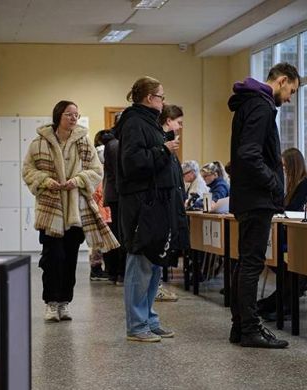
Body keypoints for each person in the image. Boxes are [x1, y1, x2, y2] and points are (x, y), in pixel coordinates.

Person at [23, 100, 119, 322]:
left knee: (70, 259)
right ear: (58, 116)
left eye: (76, 114)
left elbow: (96, 171)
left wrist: (78, 180)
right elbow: (28, 170)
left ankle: (64, 302)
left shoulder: (83, 143)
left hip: (77, 210)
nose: (74, 118)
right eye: (69, 114)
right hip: (50, 209)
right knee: (52, 258)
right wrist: (46, 181)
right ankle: (51, 303)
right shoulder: (39, 143)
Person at [228, 63, 300, 349]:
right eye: (291, 90)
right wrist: (274, 182)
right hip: (257, 198)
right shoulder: (261, 105)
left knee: (245, 263)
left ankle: (240, 326)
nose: (290, 97)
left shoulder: (249, 103)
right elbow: (249, 154)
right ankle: (249, 329)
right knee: (251, 264)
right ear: (282, 81)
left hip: (247, 196)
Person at [117, 76, 181, 342]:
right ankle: (136, 325)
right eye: (161, 96)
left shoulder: (149, 123)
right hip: (142, 205)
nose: (163, 101)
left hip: (156, 204)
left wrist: (162, 145)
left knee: (154, 263)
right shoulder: (133, 123)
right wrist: (164, 149)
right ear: (148, 98)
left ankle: (149, 319)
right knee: (140, 264)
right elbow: (132, 162)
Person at [257, 148, 307, 320]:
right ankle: (283, 297)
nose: (283, 169)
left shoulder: (305, 184)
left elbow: (292, 208)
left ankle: (285, 300)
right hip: (287, 230)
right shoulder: (293, 184)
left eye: (284, 165)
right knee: (278, 263)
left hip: (296, 233)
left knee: (283, 264)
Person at [154, 104, 190, 303]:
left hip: (173, 203)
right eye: (179, 122)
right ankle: (156, 287)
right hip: (164, 205)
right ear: (168, 121)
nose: (181, 127)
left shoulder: (170, 144)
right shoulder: (163, 144)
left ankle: (158, 285)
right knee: (160, 250)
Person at [102, 115, 126, 285]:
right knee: (121, 234)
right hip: (120, 195)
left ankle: (115, 272)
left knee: (117, 233)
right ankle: (120, 272)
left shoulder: (112, 143)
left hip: (114, 194)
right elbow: (121, 173)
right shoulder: (117, 144)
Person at [89, 129, 115, 282]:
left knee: (100, 241)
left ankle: (98, 268)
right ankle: (97, 269)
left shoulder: (97, 163)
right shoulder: (101, 163)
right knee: (101, 242)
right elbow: (98, 191)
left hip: (102, 207)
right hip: (102, 208)